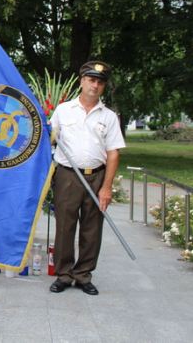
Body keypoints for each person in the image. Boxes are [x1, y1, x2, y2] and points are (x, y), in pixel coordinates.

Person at [49, 61, 126, 296]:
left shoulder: (110, 117)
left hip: (96, 176)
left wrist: (106, 187)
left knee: (92, 229)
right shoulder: (63, 110)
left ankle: (83, 275)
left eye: (100, 82)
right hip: (68, 176)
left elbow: (113, 153)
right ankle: (63, 274)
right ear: (81, 81)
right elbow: (50, 138)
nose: (95, 85)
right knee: (64, 226)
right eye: (91, 80)